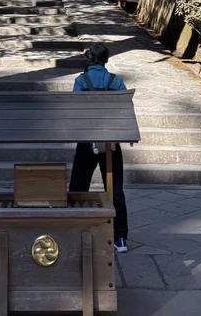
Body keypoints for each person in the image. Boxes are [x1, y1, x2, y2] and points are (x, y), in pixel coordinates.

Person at [69, 43, 129, 254]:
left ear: (90, 60)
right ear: (106, 59)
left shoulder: (80, 81)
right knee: (115, 189)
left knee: (78, 186)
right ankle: (119, 237)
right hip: (110, 141)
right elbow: (124, 110)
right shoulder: (117, 81)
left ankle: (75, 230)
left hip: (87, 139)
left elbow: (75, 111)